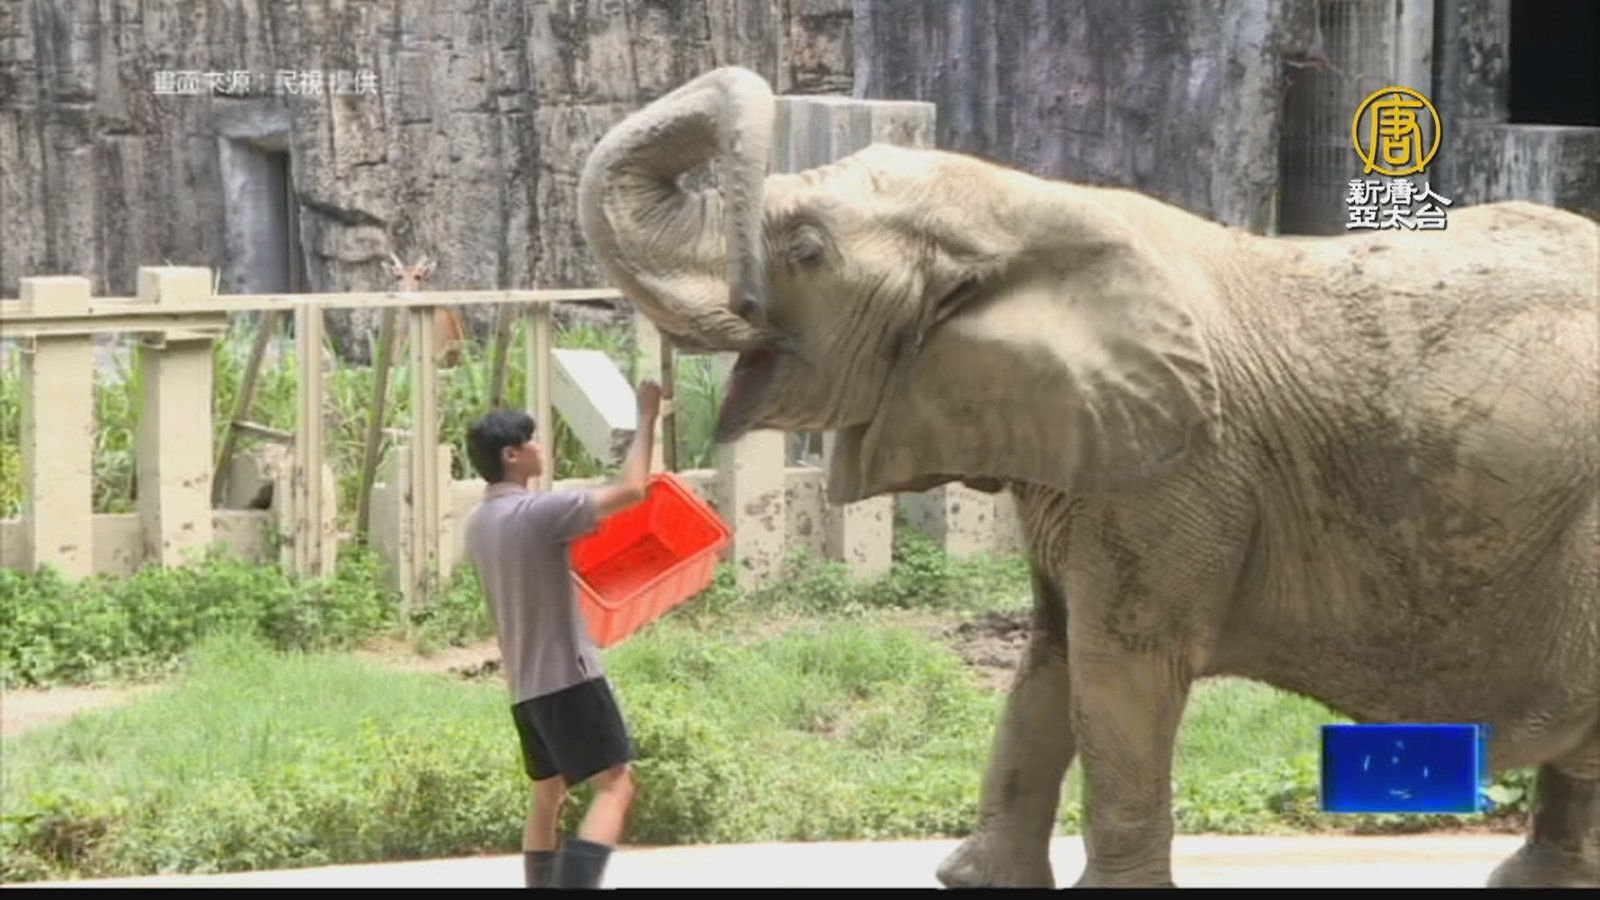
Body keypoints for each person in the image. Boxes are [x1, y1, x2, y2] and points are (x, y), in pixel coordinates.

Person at [462, 379, 662, 889]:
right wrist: (648, 419)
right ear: (512, 455)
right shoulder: (539, 512)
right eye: (531, 440)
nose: (539, 446)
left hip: (524, 688)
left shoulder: (479, 523)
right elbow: (634, 491)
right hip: (568, 678)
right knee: (615, 787)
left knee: (548, 794)